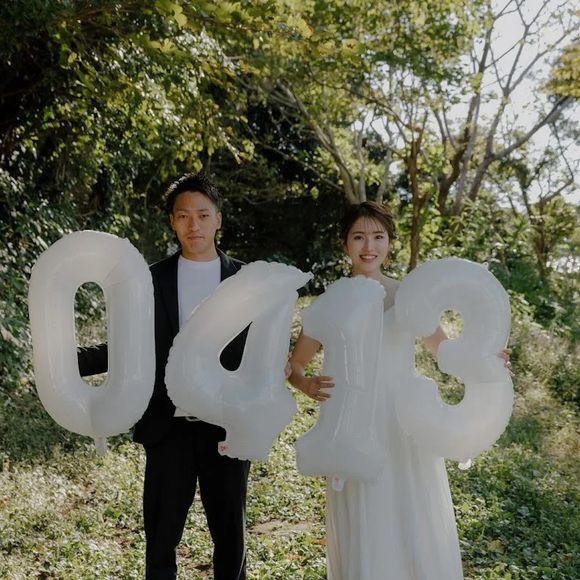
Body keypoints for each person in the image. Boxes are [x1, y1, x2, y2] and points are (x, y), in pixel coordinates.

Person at [287, 201, 510, 579]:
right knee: (365, 509)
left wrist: (485, 357)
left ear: (390, 242)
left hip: (401, 420)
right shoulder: (331, 302)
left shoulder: (409, 296)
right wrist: (305, 383)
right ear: (344, 243)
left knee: (406, 508)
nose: (368, 246)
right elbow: (296, 364)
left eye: (378, 237)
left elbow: (445, 351)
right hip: (352, 425)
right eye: (358, 237)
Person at [78, 173, 251, 580]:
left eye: (203, 215)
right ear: (173, 222)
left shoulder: (246, 280)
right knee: (161, 540)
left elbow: (263, 348)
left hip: (226, 427)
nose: (194, 225)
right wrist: (63, 363)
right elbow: (125, 344)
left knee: (230, 538)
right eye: (184, 216)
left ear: (218, 219)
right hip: (167, 428)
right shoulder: (148, 280)